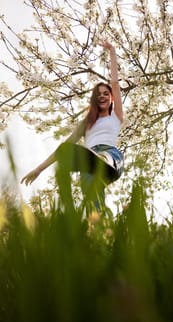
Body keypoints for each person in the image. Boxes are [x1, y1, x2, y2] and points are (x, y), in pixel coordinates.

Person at [21, 41, 124, 210]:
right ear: (94, 99)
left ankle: (103, 162)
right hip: (88, 159)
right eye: (99, 94)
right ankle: (100, 223)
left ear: (111, 98)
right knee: (92, 195)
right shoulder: (87, 122)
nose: (103, 96)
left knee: (105, 157)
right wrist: (39, 169)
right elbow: (67, 145)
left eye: (106, 94)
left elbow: (115, 82)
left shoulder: (116, 116)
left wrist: (112, 52)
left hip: (110, 155)